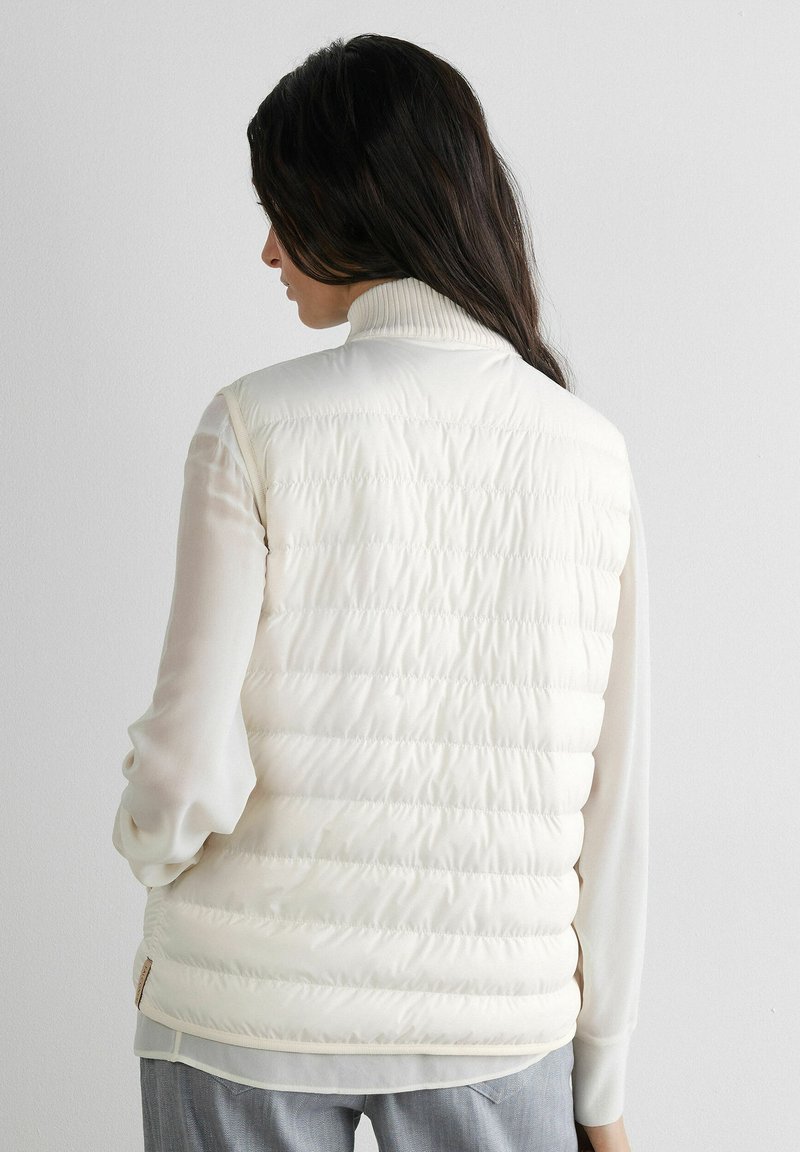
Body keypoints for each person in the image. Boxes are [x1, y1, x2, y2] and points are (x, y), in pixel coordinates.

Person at [113, 33, 649, 1152]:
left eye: (280, 210)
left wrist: (153, 858)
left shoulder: (251, 425)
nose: (268, 249)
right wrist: (599, 1083)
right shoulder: (589, 452)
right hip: (496, 1025)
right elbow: (613, 809)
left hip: (241, 1011)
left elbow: (181, 770)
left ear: (349, 203)